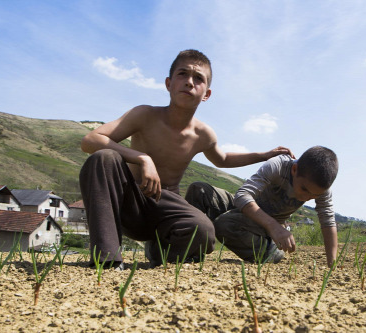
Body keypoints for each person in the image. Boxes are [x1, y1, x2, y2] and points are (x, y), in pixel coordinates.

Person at [78, 49, 293, 268]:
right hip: (129, 202)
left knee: (203, 229)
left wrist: (264, 155)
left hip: (165, 207)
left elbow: (223, 159)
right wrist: (142, 158)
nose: (189, 82)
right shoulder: (144, 115)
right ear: (169, 83)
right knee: (105, 158)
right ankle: (107, 260)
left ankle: (162, 250)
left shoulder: (203, 134)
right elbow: (91, 139)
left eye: (198, 78)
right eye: (182, 74)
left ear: (206, 94)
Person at [185, 146, 339, 267]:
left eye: (313, 196)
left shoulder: (322, 190)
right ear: (294, 170)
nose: (306, 197)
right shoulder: (278, 166)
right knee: (199, 190)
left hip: (263, 231)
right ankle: (191, 253)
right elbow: (242, 196)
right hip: (252, 214)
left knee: (225, 225)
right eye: (304, 189)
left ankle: (270, 251)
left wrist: (332, 262)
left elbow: (328, 222)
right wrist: (275, 227)